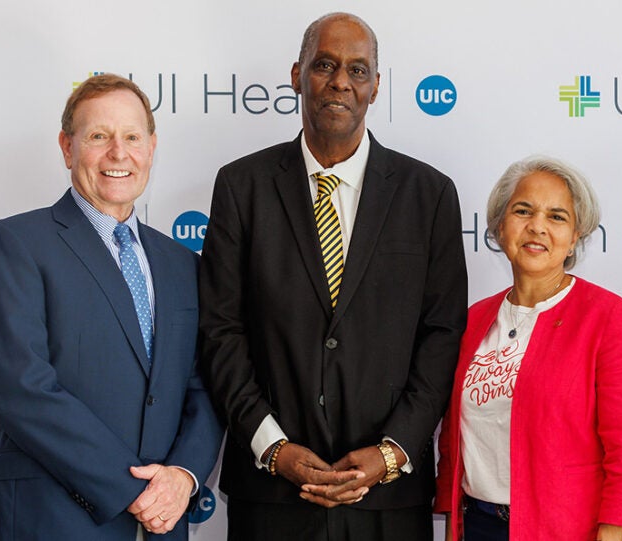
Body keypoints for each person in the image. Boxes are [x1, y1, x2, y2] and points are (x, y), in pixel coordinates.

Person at [198, 12, 467, 540]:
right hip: (272, 496)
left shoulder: (429, 195)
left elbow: (441, 337)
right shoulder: (241, 187)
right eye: (325, 65)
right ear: (297, 74)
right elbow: (220, 332)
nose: (341, 81)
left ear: (376, 87)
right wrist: (273, 448)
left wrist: (391, 454)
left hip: (388, 499)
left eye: (358, 70)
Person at [0, 74, 223, 540]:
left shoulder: (183, 264)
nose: (118, 154)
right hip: (55, 520)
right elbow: (23, 389)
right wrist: (135, 491)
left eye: (131, 137)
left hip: (164, 523)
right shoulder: (14, 244)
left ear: (151, 147)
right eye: (98, 137)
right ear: (67, 148)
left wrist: (182, 477)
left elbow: (205, 388)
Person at [434, 156, 622, 541]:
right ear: (500, 227)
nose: (537, 227)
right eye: (523, 211)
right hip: (477, 526)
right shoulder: (472, 321)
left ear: (575, 237)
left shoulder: (608, 317)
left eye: (557, 216)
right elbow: (454, 444)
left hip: (565, 530)